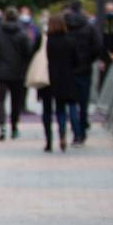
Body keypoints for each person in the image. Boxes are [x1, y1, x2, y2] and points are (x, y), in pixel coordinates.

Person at [0, 7, 34, 141]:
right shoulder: (22, 34)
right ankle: (15, 127)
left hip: (0, 73)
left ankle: (2, 127)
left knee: (0, 101)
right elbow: (29, 52)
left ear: (4, 18)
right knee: (16, 102)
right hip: (18, 73)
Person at [64, 0, 101, 144]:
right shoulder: (89, 26)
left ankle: (76, 133)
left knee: (72, 103)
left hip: (69, 70)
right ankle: (83, 126)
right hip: (85, 68)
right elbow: (97, 46)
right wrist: (89, 59)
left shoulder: (65, 26)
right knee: (83, 101)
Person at [41, 13, 80, 152]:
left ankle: (51, 139)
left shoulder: (47, 41)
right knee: (65, 109)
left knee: (51, 110)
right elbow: (77, 60)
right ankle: (66, 135)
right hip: (67, 78)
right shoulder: (69, 40)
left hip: (49, 78)